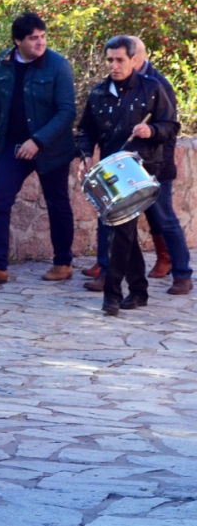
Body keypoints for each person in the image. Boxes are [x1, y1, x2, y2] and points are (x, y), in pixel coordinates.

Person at [0, 12, 77, 284]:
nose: (40, 43)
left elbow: (67, 112)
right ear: (18, 41)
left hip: (50, 148)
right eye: (33, 38)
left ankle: (63, 263)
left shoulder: (58, 65)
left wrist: (38, 140)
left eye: (43, 37)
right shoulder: (3, 63)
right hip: (13, 147)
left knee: (58, 204)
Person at [76, 35, 179, 316]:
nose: (114, 65)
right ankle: (138, 290)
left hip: (144, 167)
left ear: (133, 59)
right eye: (110, 59)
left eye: (120, 59)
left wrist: (151, 131)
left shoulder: (153, 89)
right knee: (125, 230)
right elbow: (85, 130)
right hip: (112, 171)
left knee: (120, 230)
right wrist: (85, 155)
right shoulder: (98, 93)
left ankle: (112, 295)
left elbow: (171, 126)